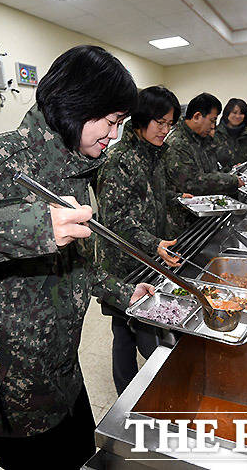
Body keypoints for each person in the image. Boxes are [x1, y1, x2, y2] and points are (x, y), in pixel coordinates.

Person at [0, 45, 155, 469]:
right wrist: (30, 228)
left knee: (84, 455)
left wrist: (123, 291)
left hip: (59, 367)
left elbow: (73, 264)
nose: (114, 135)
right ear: (79, 103)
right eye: (111, 121)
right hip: (8, 386)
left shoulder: (77, 168)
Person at [96, 86, 187, 395]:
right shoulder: (118, 159)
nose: (165, 130)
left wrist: (176, 200)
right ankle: (128, 394)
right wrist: (153, 243)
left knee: (144, 326)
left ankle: (150, 385)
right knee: (123, 330)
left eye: (170, 123)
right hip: (123, 263)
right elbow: (115, 220)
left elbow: (151, 200)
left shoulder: (155, 154)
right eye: (160, 122)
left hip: (150, 256)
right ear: (141, 119)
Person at [163, 92, 243, 196]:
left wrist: (230, 171)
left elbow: (210, 171)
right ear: (197, 117)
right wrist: (230, 180)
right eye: (212, 120)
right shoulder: (177, 143)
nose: (213, 126)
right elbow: (190, 183)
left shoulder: (202, 139)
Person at [211, 98, 247, 169]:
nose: (238, 116)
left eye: (241, 113)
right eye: (234, 112)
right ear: (227, 113)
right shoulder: (214, 134)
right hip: (222, 178)